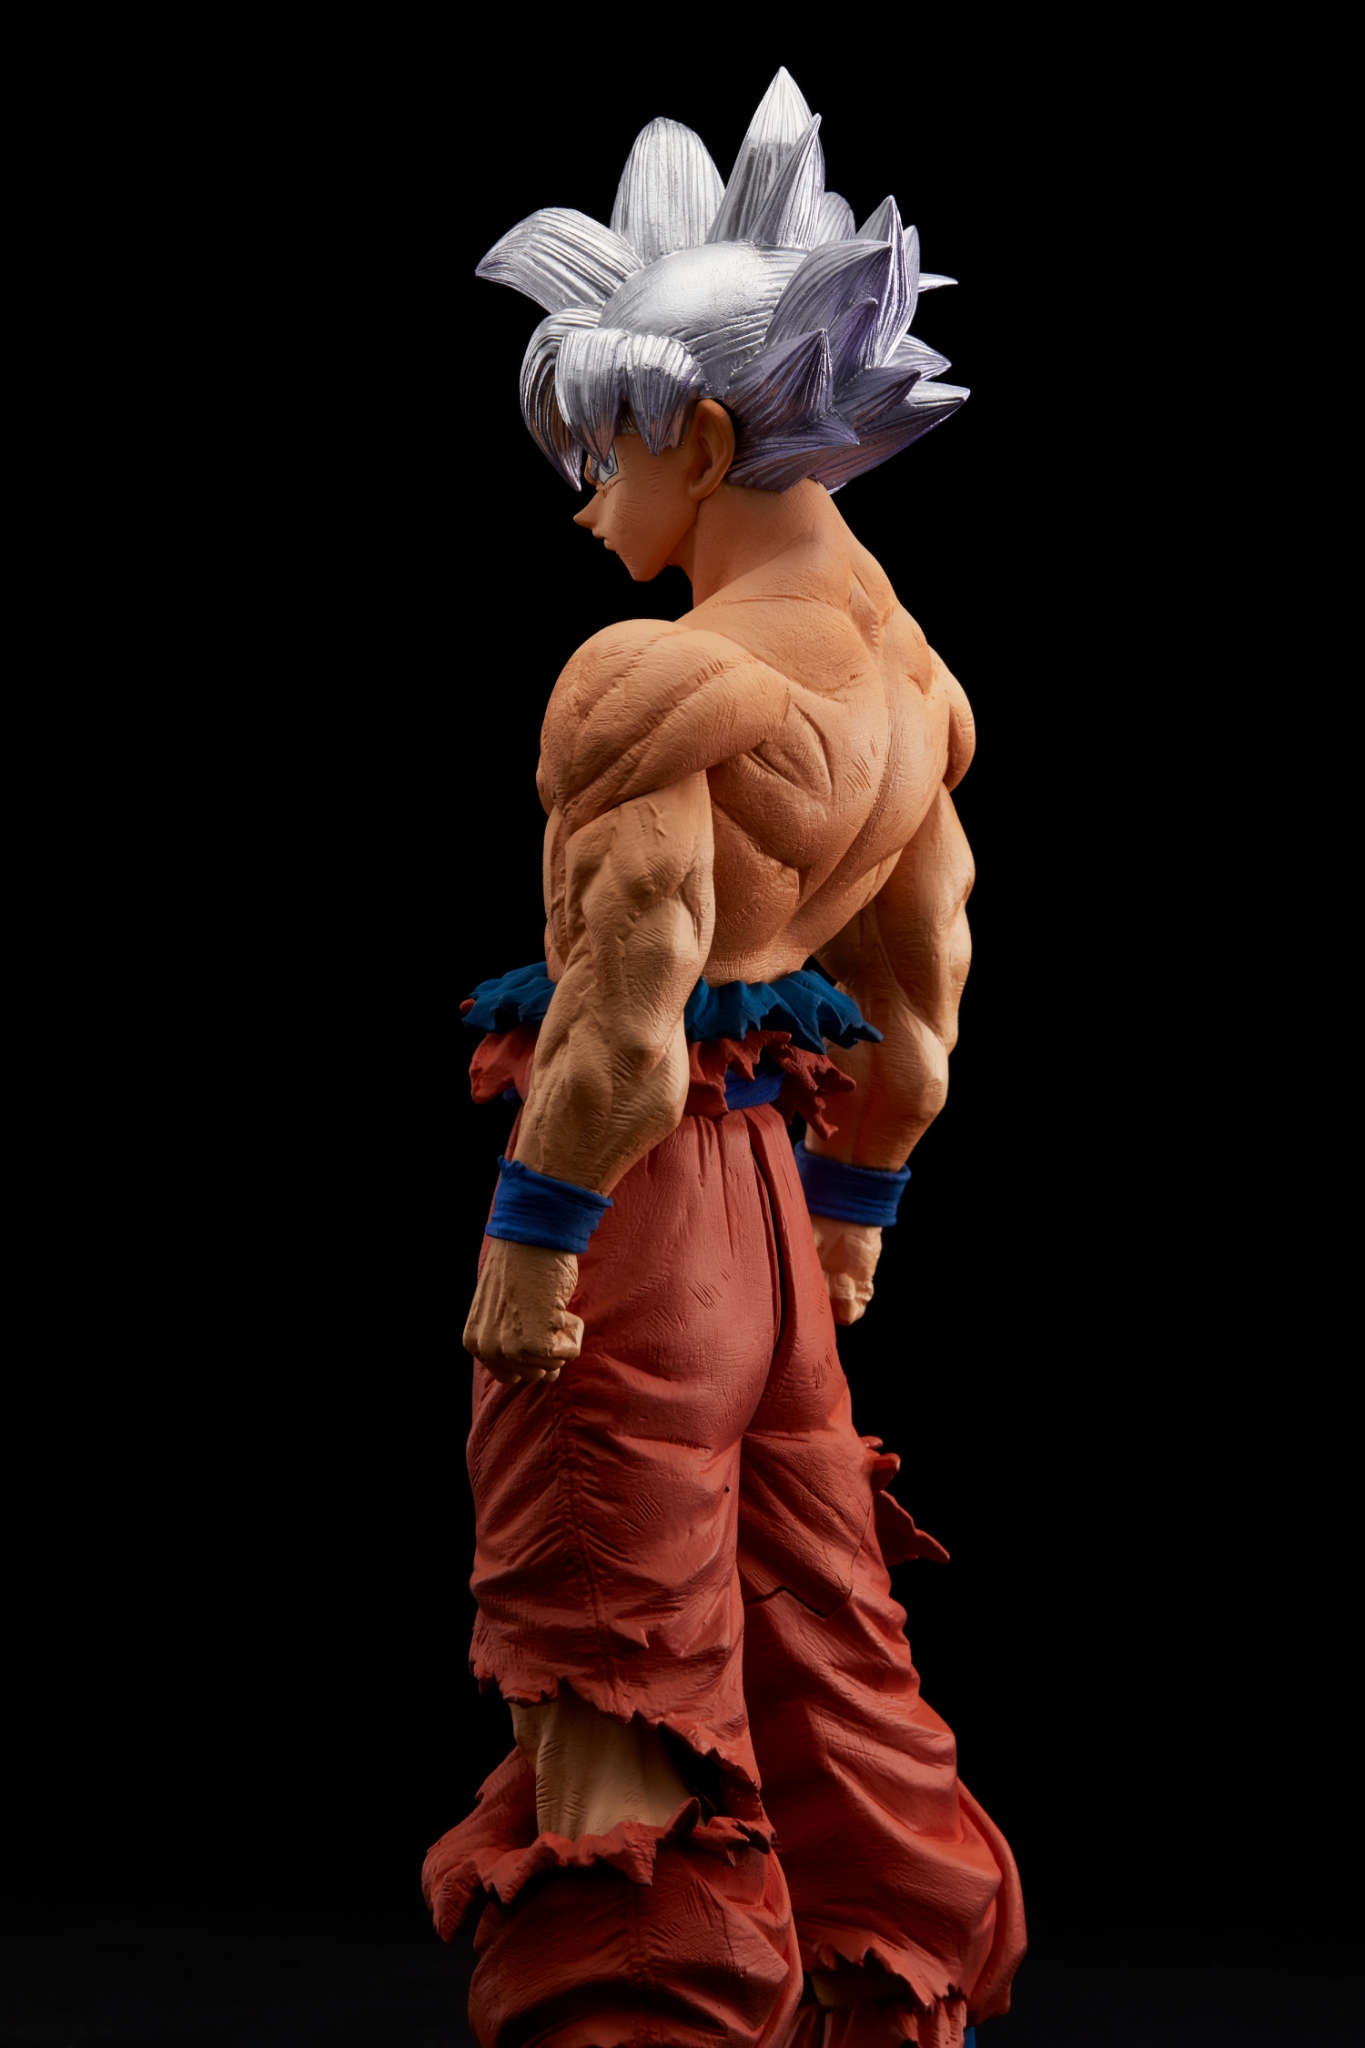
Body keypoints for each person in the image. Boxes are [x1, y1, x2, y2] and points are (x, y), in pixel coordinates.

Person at [423, 71, 1026, 2047]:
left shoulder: (659, 674)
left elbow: (631, 1001)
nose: (586, 503)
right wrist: (850, 1213)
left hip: (643, 1208)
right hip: (776, 1208)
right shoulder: (911, 684)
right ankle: (872, 2005)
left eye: (597, 452)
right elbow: (921, 1005)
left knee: (610, 1646)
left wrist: (532, 1239)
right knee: (814, 1643)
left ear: (692, 433)